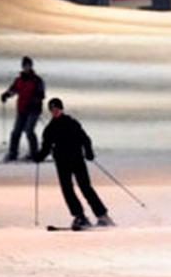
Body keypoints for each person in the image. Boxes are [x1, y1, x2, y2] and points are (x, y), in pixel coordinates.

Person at [35, 98, 113, 229]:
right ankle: (79, 216)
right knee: (67, 189)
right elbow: (46, 147)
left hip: (77, 160)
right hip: (61, 162)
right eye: (52, 109)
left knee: (85, 187)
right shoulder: (50, 128)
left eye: (56, 109)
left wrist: (88, 152)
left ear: (61, 109)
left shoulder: (71, 123)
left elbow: (85, 138)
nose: (55, 111)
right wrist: (39, 156)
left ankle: (102, 215)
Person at [0, 56, 45, 162]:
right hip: (22, 110)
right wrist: (6, 95)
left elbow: (41, 95)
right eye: (25, 66)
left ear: (31, 66)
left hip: (34, 110)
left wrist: (33, 102)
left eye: (28, 65)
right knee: (16, 132)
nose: (26, 68)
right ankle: (12, 153)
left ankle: (34, 154)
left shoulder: (37, 80)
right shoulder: (19, 80)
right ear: (23, 67)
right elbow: (13, 90)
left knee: (29, 131)